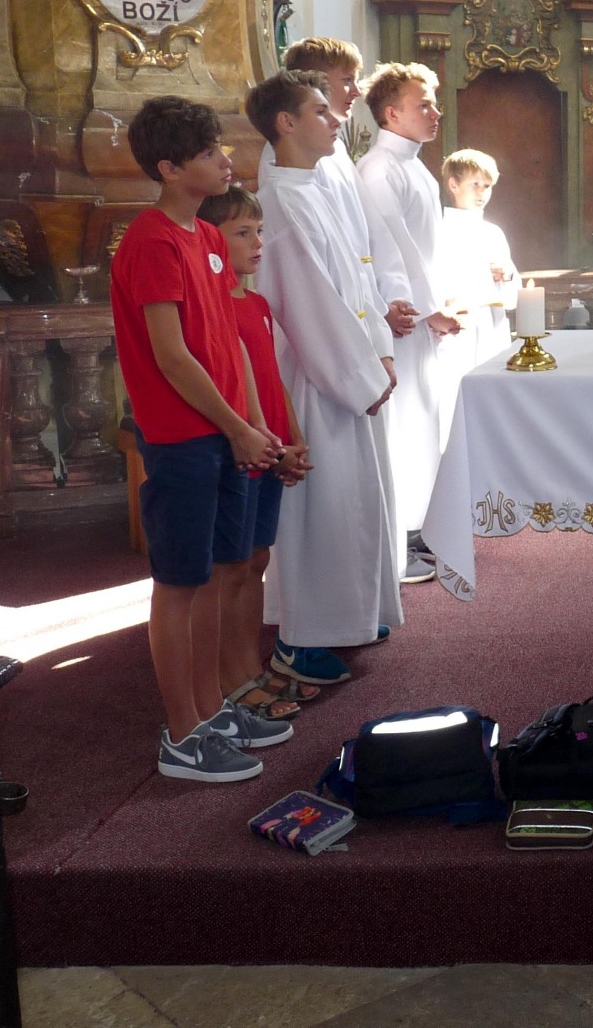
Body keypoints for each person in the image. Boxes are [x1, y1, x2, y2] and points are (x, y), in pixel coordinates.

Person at [110, 96, 289, 783]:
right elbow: (172, 356)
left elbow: (227, 342)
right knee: (180, 583)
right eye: (210, 153)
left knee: (218, 572)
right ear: (169, 168)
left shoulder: (209, 239)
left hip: (225, 430)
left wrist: (252, 422)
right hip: (183, 436)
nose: (226, 160)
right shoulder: (152, 242)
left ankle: (213, 709)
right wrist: (235, 425)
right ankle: (182, 734)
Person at [248, 73, 405, 684]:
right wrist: (361, 375)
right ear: (285, 123)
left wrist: (380, 352)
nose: (336, 118)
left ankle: (350, 617)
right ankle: (302, 637)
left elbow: (358, 279)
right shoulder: (280, 203)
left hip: (348, 367)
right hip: (313, 378)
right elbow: (309, 306)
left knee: (354, 499)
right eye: (320, 111)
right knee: (321, 508)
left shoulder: (315, 187)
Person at [197, 186, 316, 722]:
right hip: (244, 449)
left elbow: (271, 376)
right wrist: (264, 442)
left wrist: (294, 437)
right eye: (243, 233)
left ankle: (251, 667)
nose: (258, 242)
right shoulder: (212, 304)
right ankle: (231, 678)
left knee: (258, 561)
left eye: (260, 231)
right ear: (210, 240)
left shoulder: (258, 303)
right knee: (233, 567)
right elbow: (231, 388)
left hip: (271, 446)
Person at [357, 62, 462, 583]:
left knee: (424, 422)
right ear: (392, 113)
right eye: (424, 104)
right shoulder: (380, 169)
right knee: (403, 428)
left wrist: (441, 300)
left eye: (434, 103)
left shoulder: (414, 165)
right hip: (401, 321)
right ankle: (398, 536)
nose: (435, 112)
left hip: (420, 318)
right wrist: (423, 308)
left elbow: (425, 245)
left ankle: (417, 527)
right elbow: (389, 248)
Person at [271, 38, 418, 348]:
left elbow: (372, 232)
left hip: (369, 305)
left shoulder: (334, 148)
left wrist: (392, 295)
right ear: (315, 82)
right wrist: (379, 310)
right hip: (336, 321)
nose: (357, 91)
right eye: (347, 80)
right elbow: (329, 257)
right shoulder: (293, 157)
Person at [439, 148, 521, 372]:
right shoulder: (439, 231)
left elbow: (514, 294)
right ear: (453, 185)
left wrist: (507, 275)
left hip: (493, 328)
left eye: (487, 186)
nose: (481, 192)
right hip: (459, 328)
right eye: (475, 184)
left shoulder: (493, 233)